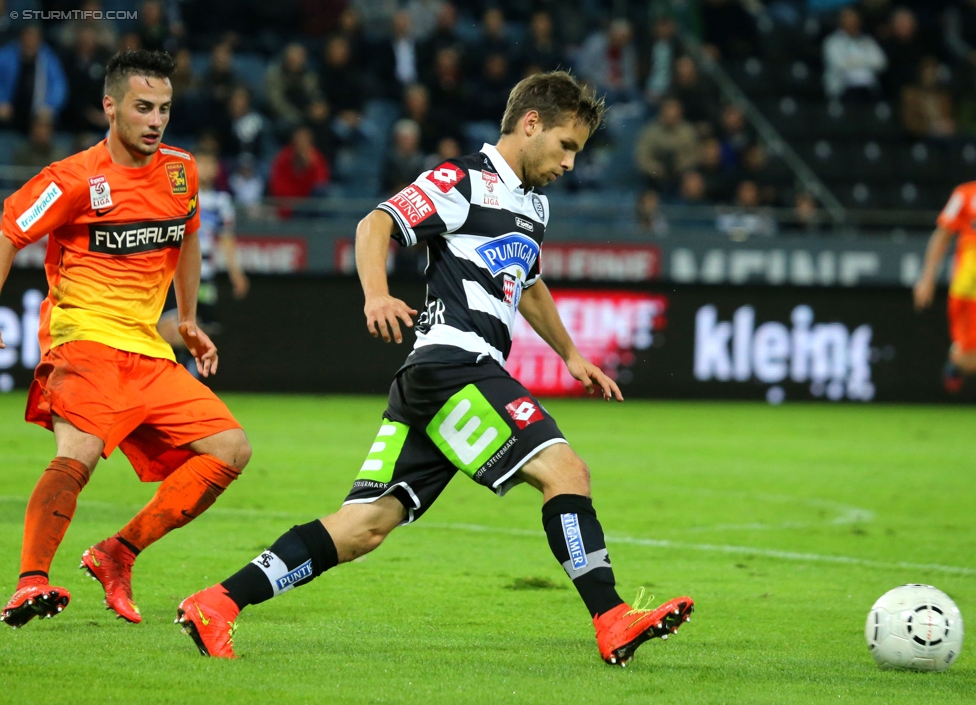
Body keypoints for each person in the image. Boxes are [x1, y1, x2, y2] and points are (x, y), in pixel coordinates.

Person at [175, 70, 693, 665]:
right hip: (454, 363)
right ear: (530, 124)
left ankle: (217, 602)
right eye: (566, 145)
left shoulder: (534, 205)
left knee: (364, 525)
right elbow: (375, 224)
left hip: (437, 380)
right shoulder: (461, 180)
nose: (572, 162)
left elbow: (528, 283)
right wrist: (375, 294)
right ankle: (612, 617)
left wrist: (572, 355)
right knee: (566, 472)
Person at [0, 50, 252, 629]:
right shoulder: (71, 179)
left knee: (231, 449)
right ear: (110, 107)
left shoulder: (180, 171)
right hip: (83, 341)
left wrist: (186, 317)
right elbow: (9, 230)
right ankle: (30, 581)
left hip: (147, 349)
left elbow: (187, 236)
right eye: (143, 107)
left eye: (164, 108)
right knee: (79, 453)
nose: (156, 120)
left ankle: (119, 553)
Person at [158, 152, 249, 372]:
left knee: (196, 326)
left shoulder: (221, 201)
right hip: (176, 272)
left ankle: (191, 375)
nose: (206, 168)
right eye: (202, 162)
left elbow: (226, 238)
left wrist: (235, 272)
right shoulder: (177, 196)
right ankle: (181, 374)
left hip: (205, 273)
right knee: (172, 329)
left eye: (210, 163)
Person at [914, 182, 976, 392]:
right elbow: (942, 235)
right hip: (970, 289)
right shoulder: (965, 194)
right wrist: (927, 278)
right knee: (968, 360)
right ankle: (957, 361)